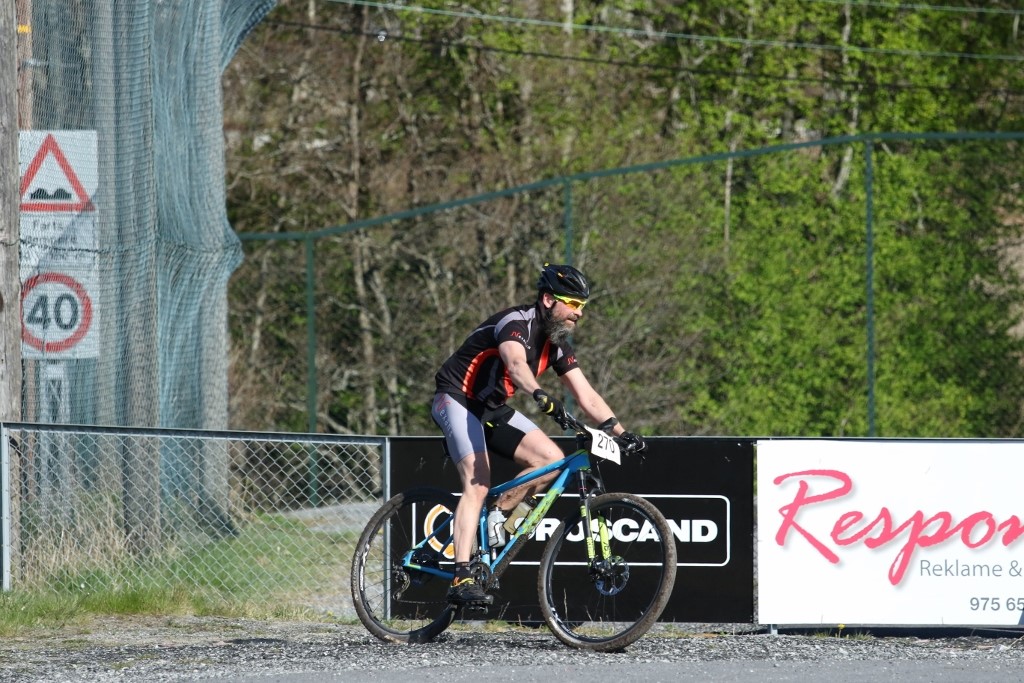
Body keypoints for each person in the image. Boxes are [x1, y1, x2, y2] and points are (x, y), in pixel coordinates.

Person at [430, 263, 647, 606]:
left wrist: (621, 432)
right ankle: (461, 576)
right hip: (456, 397)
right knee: (479, 481)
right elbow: (516, 365)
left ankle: (499, 514)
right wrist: (539, 395)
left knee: (551, 460)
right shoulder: (515, 323)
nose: (579, 313)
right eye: (572, 304)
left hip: (491, 408)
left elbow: (587, 395)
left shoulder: (556, 345)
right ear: (548, 299)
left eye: (582, 306)